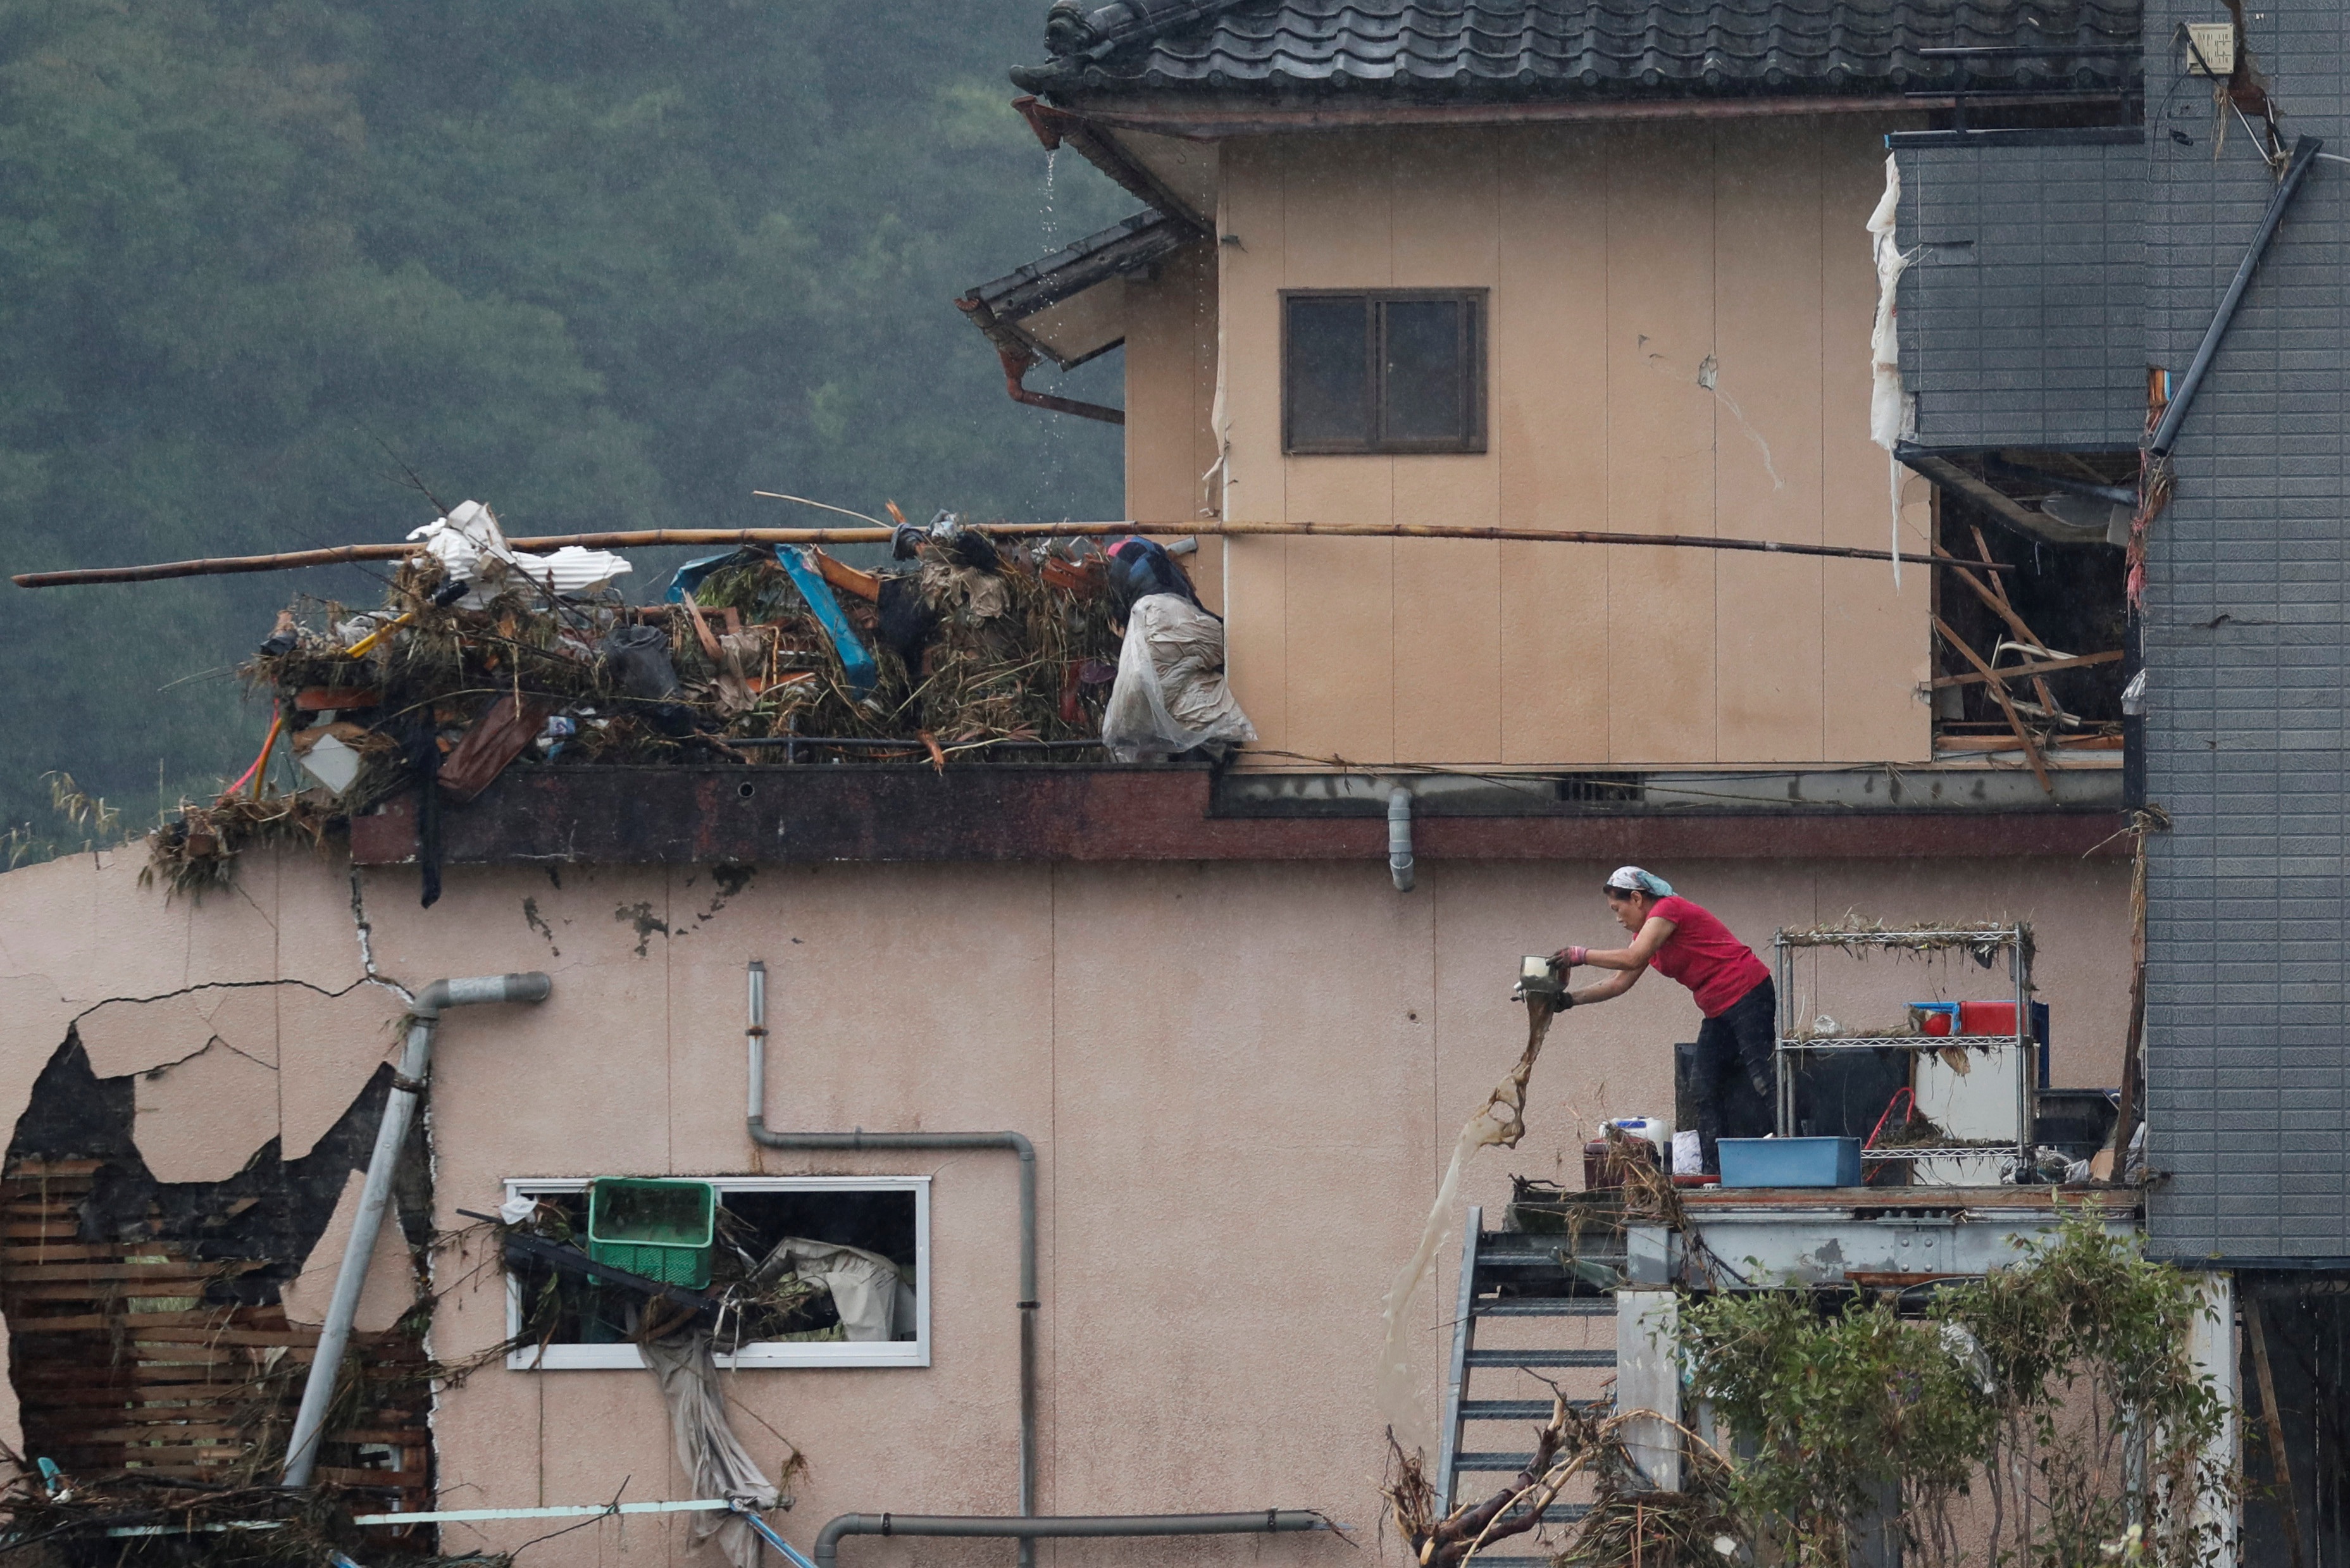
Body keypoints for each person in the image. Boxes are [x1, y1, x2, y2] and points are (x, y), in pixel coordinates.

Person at [1551, 866, 1777, 1174]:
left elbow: (1631, 959)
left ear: (1637, 898)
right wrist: (1569, 1000)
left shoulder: (1668, 909)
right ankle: (1715, 1171)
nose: (1617, 918)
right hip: (1718, 1008)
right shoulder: (1645, 937)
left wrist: (1581, 955)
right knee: (1702, 1086)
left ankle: (1797, 1151)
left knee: (1762, 1076)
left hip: (1748, 990)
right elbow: (1619, 983)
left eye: (1618, 909)